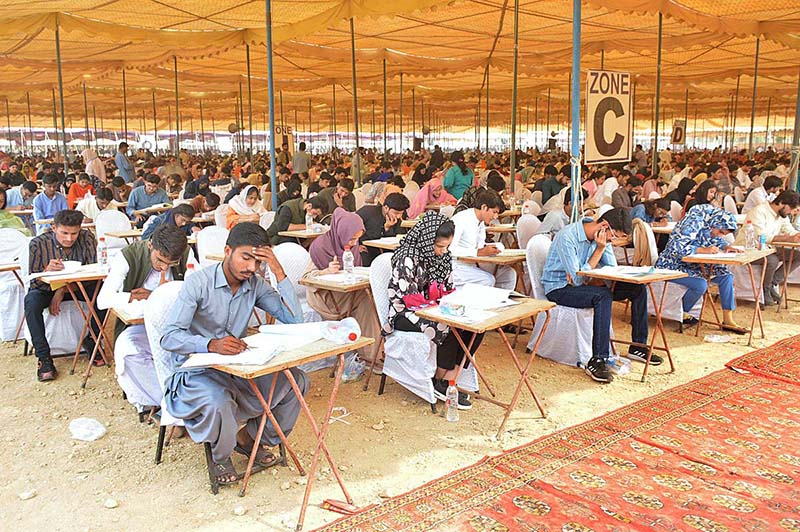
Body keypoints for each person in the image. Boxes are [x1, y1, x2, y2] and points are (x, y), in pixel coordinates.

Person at [160, 222, 306, 485]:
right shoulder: (198, 283)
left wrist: (277, 269)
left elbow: (295, 322)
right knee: (219, 401)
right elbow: (169, 337)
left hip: (238, 370)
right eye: (246, 257)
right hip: (196, 374)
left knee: (297, 380)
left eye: (258, 261)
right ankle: (221, 456)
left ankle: (250, 440)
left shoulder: (256, 284)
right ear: (228, 251)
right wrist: (210, 344)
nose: (251, 267)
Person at [541, 208, 658, 383]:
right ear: (604, 226)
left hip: (583, 284)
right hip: (558, 288)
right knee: (602, 296)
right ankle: (598, 359)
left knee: (637, 289)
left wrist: (594, 274)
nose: (612, 241)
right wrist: (598, 252)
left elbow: (612, 270)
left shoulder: (602, 236)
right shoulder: (568, 237)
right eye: (614, 236)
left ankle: (638, 346)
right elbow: (577, 280)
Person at [384, 211, 480, 408]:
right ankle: (439, 380)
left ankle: (449, 379)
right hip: (405, 312)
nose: (443, 252)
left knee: (475, 324)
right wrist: (441, 309)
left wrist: (453, 304)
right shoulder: (407, 258)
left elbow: (449, 288)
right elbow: (410, 297)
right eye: (439, 246)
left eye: (447, 247)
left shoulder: (443, 258)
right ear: (427, 240)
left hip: (435, 308)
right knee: (447, 325)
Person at [98, 224, 196, 414]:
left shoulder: (185, 254)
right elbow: (103, 300)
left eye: (171, 263)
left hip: (178, 325)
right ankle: (172, 402)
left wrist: (158, 295)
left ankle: (181, 403)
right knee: (128, 353)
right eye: (160, 260)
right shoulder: (128, 256)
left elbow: (196, 289)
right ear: (150, 245)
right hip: (139, 326)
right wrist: (132, 296)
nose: (164, 267)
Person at [25, 210, 106, 381]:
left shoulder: (87, 238)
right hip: (47, 290)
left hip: (77, 287)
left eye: (74, 233)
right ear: (53, 228)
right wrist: (47, 271)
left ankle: (92, 339)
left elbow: (93, 275)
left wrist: (62, 289)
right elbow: (35, 282)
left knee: (103, 293)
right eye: (64, 233)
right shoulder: (38, 244)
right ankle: (44, 357)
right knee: (31, 302)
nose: (70, 238)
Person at [304, 208, 382, 367]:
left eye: (357, 239)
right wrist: (325, 271)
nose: (354, 243)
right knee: (366, 300)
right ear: (341, 232)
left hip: (347, 292)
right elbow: (306, 278)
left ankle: (372, 352)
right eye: (352, 239)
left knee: (370, 298)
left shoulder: (351, 245)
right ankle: (370, 353)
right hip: (325, 297)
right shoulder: (320, 246)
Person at [656, 204, 745, 330]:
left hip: (695, 265)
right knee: (701, 284)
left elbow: (713, 238)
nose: (719, 235)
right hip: (672, 264)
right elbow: (676, 248)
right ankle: (681, 312)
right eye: (720, 231)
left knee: (726, 277)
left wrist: (726, 246)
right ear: (715, 223)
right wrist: (702, 249)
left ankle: (727, 319)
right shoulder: (693, 222)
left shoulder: (711, 222)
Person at [736, 190, 800, 305]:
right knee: (772, 259)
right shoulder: (759, 211)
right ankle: (765, 289)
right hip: (749, 249)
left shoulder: (782, 215)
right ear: (782, 203)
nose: (790, 213)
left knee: (798, 255)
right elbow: (762, 236)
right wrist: (787, 238)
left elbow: (789, 231)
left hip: (768, 249)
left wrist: (796, 236)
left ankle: (773, 282)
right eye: (791, 209)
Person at [450, 191, 516, 290]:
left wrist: (492, 248)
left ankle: (502, 303)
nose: (495, 217)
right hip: (457, 267)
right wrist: (478, 252)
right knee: (487, 280)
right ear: (484, 207)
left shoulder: (480, 223)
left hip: (475, 263)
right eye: (494, 212)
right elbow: (449, 250)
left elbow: (480, 245)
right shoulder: (461, 219)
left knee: (509, 274)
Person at [356, 192, 410, 266]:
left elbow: (396, 239)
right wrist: (356, 245)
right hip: (363, 246)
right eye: (396, 213)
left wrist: (387, 228)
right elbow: (350, 228)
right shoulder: (367, 212)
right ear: (386, 208)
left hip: (382, 251)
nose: (398, 216)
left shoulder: (397, 219)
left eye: (401, 213)